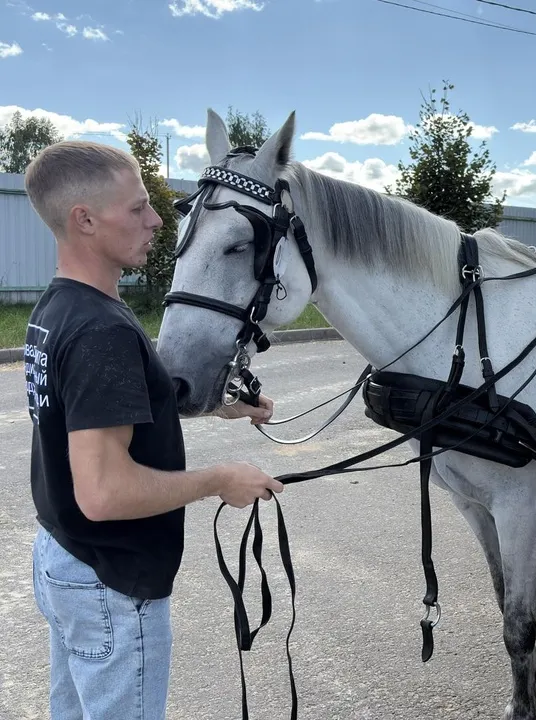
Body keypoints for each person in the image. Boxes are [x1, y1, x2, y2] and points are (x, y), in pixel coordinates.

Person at [22, 140, 285, 720]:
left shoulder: (59, 308)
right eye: (138, 207)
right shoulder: (101, 332)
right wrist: (220, 479)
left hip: (66, 557)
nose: (157, 220)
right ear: (84, 220)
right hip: (109, 579)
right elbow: (104, 492)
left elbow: (89, 406)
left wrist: (214, 406)